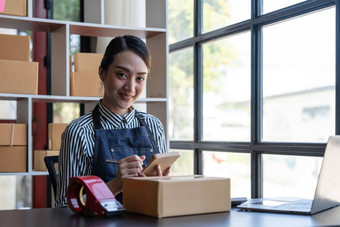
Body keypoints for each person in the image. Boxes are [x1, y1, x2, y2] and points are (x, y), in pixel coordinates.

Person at [56, 35, 169, 207]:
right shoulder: (79, 131)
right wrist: (116, 185)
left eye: (140, 78)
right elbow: (66, 206)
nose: (130, 88)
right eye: (122, 74)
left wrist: (163, 186)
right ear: (102, 72)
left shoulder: (153, 126)